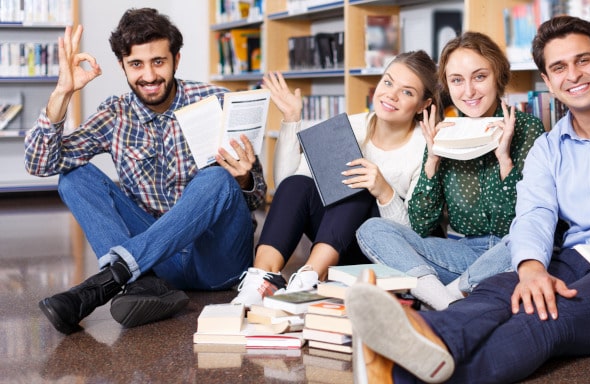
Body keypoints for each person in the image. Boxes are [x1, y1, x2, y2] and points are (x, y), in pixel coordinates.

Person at [345, 15, 590, 383]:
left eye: (583, 61)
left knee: (543, 318)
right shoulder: (549, 146)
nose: (573, 75)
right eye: (559, 68)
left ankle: (395, 375)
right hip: (576, 259)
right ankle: (409, 341)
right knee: (496, 293)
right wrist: (530, 269)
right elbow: (534, 215)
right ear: (547, 80)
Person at [27, 8, 266, 335]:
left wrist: (242, 179)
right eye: (136, 64)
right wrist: (62, 93)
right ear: (122, 66)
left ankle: (114, 277)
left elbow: (257, 196)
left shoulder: (217, 101)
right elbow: (41, 163)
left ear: (176, 60)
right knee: (73, 177)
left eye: (159, 62)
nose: (150, 76)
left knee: (216, 178)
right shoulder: (115, 113)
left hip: (217, 262)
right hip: (157, 264)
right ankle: (143, 283)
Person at [230, 50, 439, 307]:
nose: (391, 95)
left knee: (359, 184)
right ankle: (263, 280)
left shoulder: (424, 147)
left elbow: (413, 237)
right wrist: (291, 120)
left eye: (407, 92)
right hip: (337, 241)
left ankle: (310, 280)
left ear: (423, 104)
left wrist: (383, 190)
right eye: (388, 82)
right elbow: (288, 186)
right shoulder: (350, 125)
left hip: (381, 256)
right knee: (300, 184)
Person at [355, 31, 546, 310]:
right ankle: (446, 301)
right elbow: (421, 226)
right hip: (462, 254)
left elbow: (522, 222)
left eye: (479, 77)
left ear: (498, 76)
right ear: (447, 85)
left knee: (529, 240)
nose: (468, 91)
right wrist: (432, 159)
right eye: (457, 80)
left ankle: (453, 295)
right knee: (372, 229)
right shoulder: (444, 133)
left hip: (510, 256)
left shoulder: (528, 129)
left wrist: (504, 159)